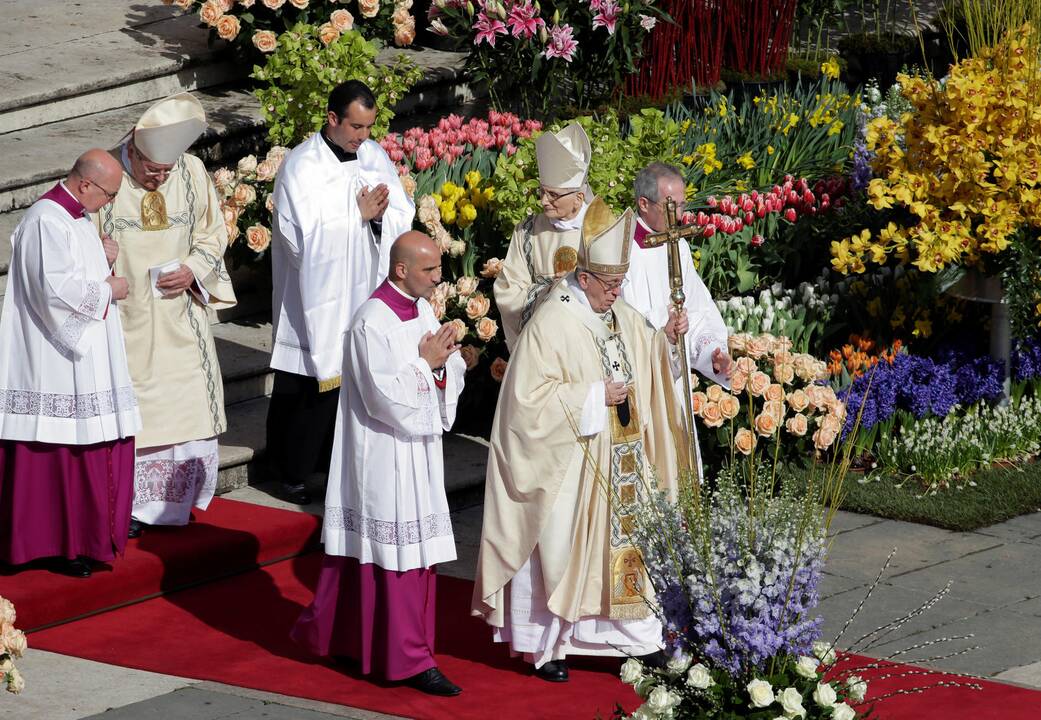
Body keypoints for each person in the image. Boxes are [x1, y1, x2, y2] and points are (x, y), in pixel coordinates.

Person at [473, 198, 689, 682]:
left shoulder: (615, 308)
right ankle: (549, 647)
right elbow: (526, 401)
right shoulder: (553, 320)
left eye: (620, 284)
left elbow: (646, 349)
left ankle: (638, 640)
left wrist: (668, 341)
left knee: (628, 547)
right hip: (572, 462)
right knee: (562, 550)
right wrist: (593, 395)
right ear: (584, 277)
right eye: (609, 285)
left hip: (623, 459)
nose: (617, 293)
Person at [292, 231, 465, 696]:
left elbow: (442, 369)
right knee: (394, 555)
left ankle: (367, 644)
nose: (438, 278)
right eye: (430, 270)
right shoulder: (370, 320)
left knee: (413, 552)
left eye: (438, 268)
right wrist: (426, 364)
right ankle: (409, 660)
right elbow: (380, 397)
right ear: (401, 269)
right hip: (382, 454)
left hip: (417, 450)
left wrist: (445, 364)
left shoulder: (423, 309)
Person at [93, 92, 237, 537]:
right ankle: (130, 507)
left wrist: (192, 269)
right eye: (152, 170)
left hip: (180, 311)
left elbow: (213, 234)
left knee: (187, 402)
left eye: (165, 172)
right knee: (138, 408)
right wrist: (95, 253)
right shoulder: (106, 174)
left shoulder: (191, 172)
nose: (159, 178)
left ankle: (175, 505)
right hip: (126, 315)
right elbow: (73, 232)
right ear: (132, 151)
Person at [266, 80, 415, 505]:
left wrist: (379, 220)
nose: (362, 137)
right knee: (306, 383)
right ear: (332, 118)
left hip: (364, 289)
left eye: (369, 127)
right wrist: (356, 217)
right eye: (355, 126)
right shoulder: (302, 166)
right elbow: (300, 240)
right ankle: (290, 469)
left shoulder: (372, 156)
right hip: (314, 298)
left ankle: (332, 465)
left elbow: (401, 211)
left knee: (350, 378)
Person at [0, 150, 141, 578]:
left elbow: (71, 272)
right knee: (59, 451)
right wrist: (109, 289)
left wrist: (102, 257)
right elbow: (54, 294)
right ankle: (57, 544)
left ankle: (82, 539)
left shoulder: (77, 217)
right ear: (84, 184)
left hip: (85, 357)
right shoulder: (46, 219)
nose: (110, 202)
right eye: (109, 193)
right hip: (56, 362)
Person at [624, 162, 731, 386]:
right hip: (641, 378)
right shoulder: (622, 249)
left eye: (682, 205)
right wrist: (665, 333)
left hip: (676, 378)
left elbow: (697, 309)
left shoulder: (678, 244)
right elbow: (624, 321)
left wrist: (712, 352)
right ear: (643, 203)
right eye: (670, 206)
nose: (679, 216)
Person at [493, 122, 592, 351]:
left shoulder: (600, 229)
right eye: (542, 191)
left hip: (587, 345)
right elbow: (508, 291)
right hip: (541, 344)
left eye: (554, 195)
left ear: (578, 197)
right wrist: (549, 292)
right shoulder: (527, 231)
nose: (544, 201)